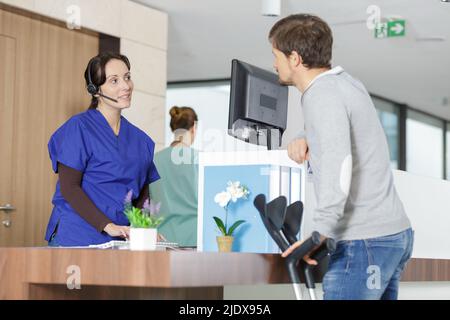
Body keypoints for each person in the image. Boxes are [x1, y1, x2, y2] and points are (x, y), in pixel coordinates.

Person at [269, 14, 413, 300]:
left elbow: (339, 164)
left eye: (276, 55)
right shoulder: (345, 83)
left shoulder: (322, 95)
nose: (274, 64)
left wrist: (319, 232)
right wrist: (305, 134)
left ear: (294, 58)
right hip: (392, 236)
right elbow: (344, 130)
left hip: (364, 241)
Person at [45, 52, 160, 246]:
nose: (125, 86)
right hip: (76, 236)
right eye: (114, 81)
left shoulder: (141, 140)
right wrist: (107, 225)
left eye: (127, 77)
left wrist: (145, 230)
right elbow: (69, 188)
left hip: (119, 241)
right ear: (95, 89)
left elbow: (142, 197)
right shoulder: (79, 128)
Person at [149, 106, 198, 247]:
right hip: (195, 239)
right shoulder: (201, 159)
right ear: (194, 127)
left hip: (162, 240)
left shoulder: (154, 160)